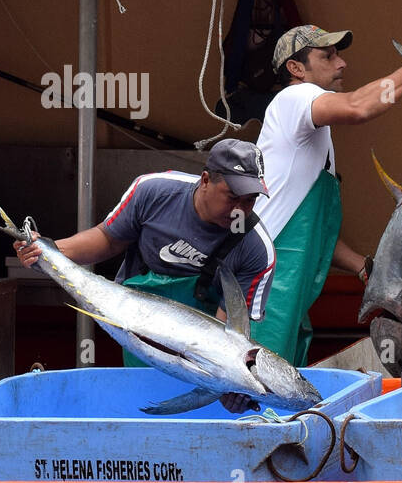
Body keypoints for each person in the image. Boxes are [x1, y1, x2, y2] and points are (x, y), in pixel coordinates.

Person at [253, 24, 402, 366]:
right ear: (296, 69)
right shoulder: (293, 97)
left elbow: (311, 233)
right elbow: (358, 108)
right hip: (270, 289)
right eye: (328, 55)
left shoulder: (312, 137)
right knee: (256, 395)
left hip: (289, 291)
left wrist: (362, 267)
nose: (342, 63)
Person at [15, 138, 277, 358]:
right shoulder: (154, 191)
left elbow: (228, 334)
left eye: (250, 200)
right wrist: (47, 250)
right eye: (232, 198)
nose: (239, 211)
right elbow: (109, 238)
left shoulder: (255, 248)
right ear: (206, 180)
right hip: (135, 323)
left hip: (198, 347)